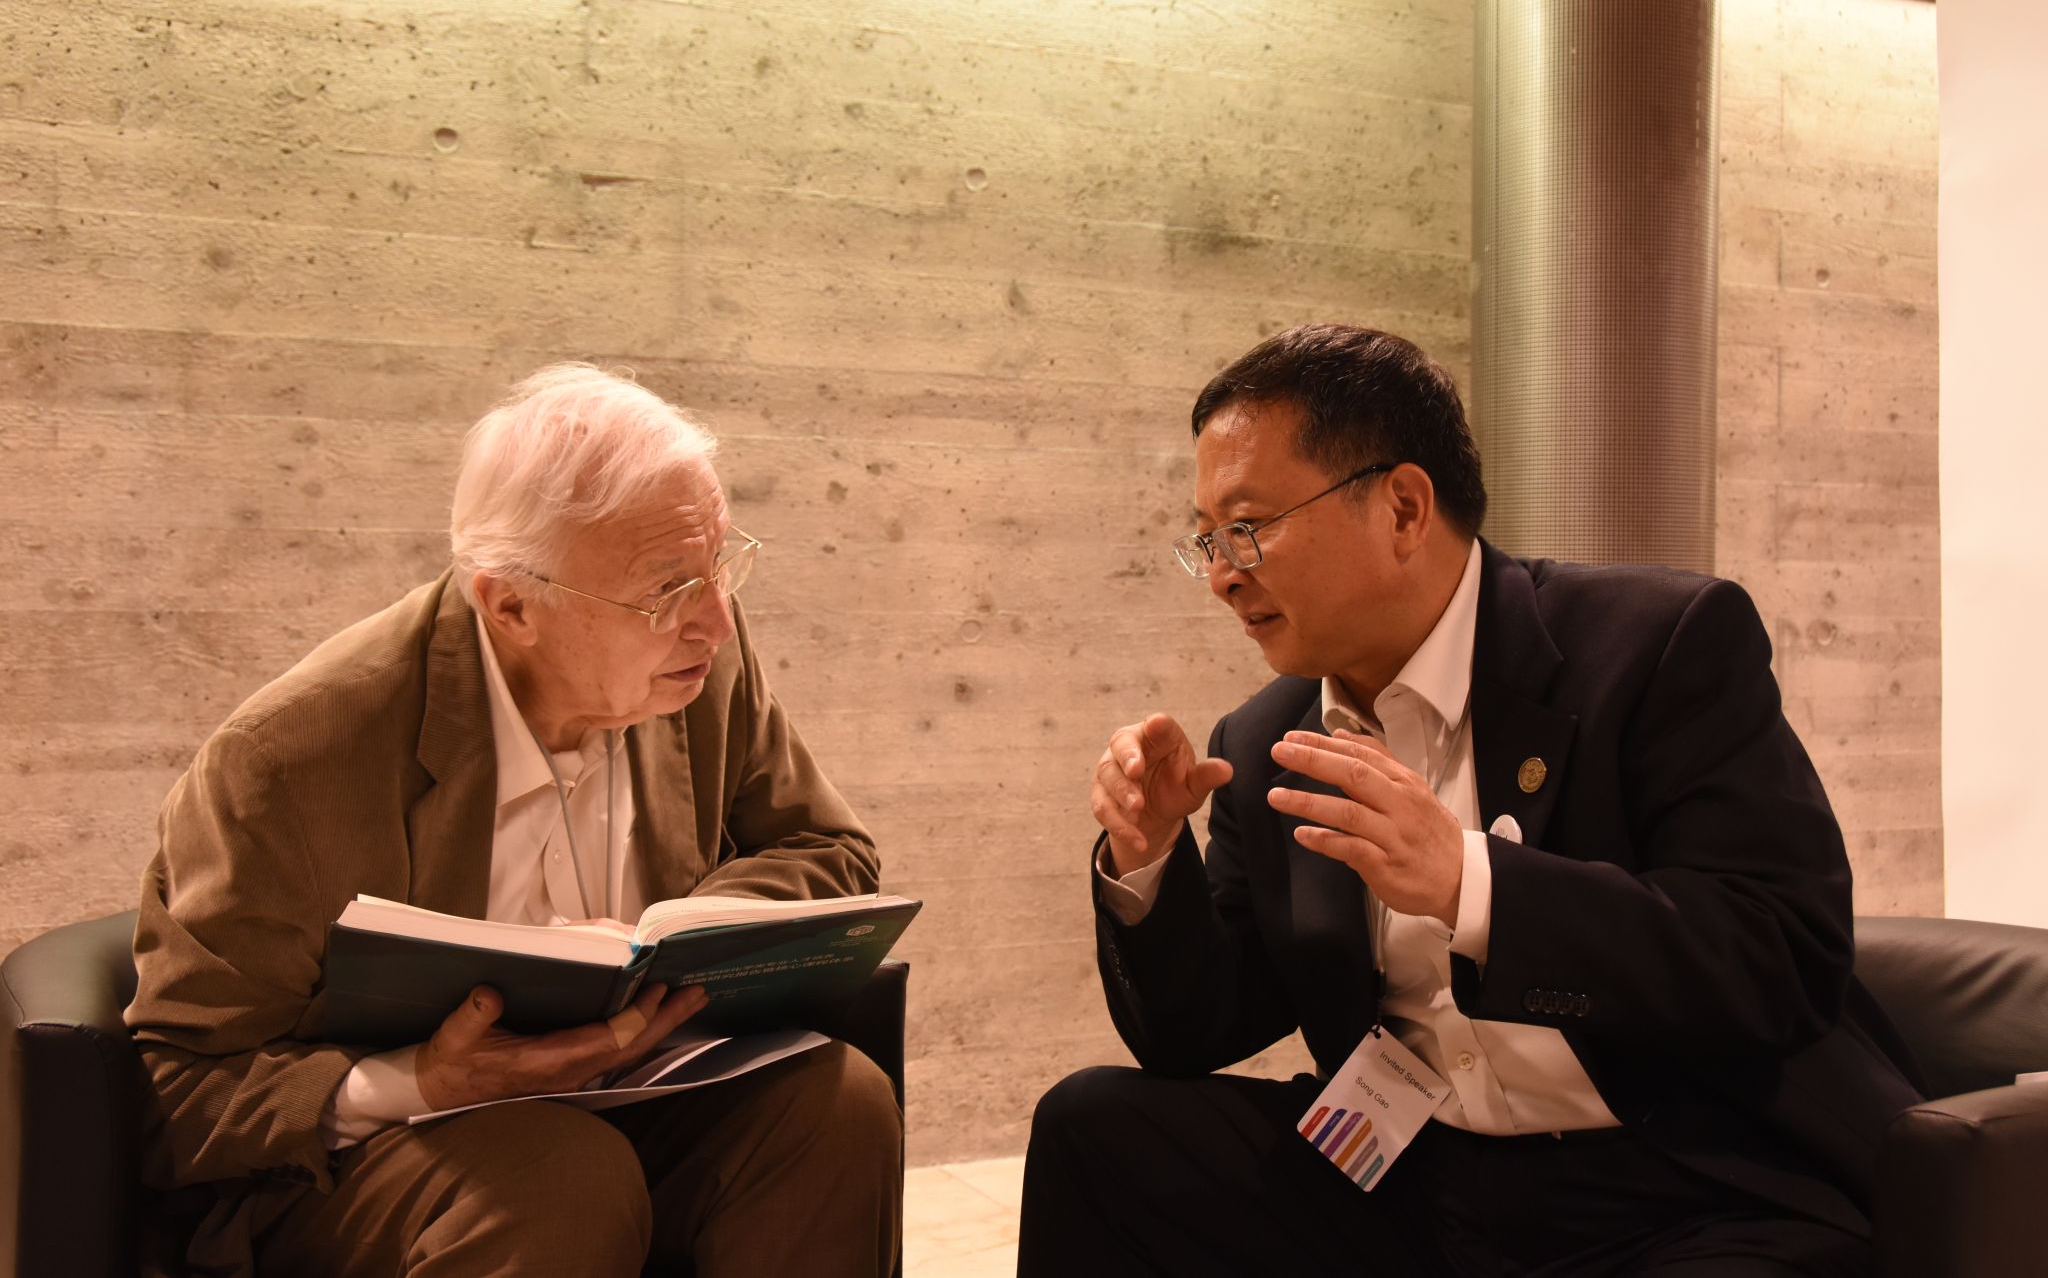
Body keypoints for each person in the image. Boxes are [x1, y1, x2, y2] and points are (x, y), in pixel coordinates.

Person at [1020, 325, 1924, 1277]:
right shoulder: (1266, 739)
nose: (1221, 574)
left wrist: (1472, 883)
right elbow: (1197, 1029)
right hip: (1408, 1171)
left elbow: (1782, 954)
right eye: (1207, 538)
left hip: (1681, 1175)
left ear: (1404, 508)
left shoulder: (1658, 646)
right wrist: (1149, 861)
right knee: (1095, 1128)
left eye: (1248, 526)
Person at [126, 364, 901, 1278]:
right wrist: (422, 1078)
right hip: (378, 1156)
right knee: (561, 1180)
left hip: (643, 1091)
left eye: (721, 565)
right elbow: (182, 1086)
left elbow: (827, 845)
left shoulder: (693, 666)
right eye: (667, 590)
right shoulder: (291, 761)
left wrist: (696, 933)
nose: (716, 623)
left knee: (837, 1103)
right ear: (511, 604)